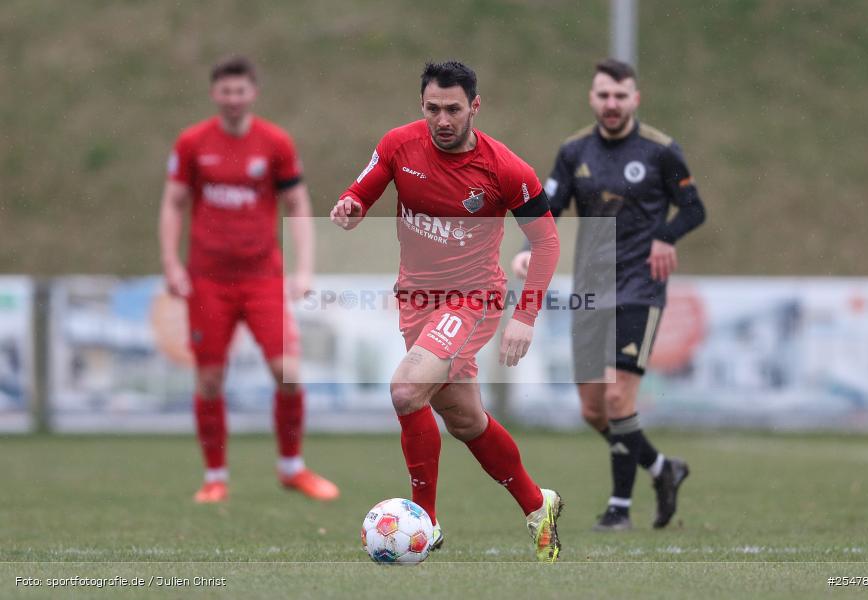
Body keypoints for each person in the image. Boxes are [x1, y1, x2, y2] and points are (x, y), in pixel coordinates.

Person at [330, 61, 564, 562]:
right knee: (464, 419)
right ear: (422, 105)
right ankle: (536, 504)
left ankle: (425, 523)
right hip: (416, 301)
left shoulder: (505, 169)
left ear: (474, 107)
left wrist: (524, 316)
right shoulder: (398, 145)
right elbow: (361, 192)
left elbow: (546, 241)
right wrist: (350, 207)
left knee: (407, 389)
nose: (442, 119)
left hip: (473, 299)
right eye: (433, 108)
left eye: (453, 109)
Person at [512, 58, 706, 531]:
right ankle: (663, 468)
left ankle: (619, 507)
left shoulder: (661, 151)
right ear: (592, 98)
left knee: (620, 399)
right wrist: (525, 250)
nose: (612, 104)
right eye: (604, 95)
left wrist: (666, 235)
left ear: (635, 99)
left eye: (621, 96)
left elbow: (693, 208)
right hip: (591, 289)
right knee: (592, 409)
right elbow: (549, 209)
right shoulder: (573, 150)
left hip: (640, 288)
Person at [159, 56, 339, 504]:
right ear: (214, 94)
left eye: (241, 91)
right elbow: (174, 203)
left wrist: (303, 269)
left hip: (262, 279)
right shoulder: (192, 143)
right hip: (209, 282)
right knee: (210, 380)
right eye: (226, 91)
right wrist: (171, 263)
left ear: (253, 92)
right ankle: (215, 477)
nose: (233, 99)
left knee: (289, 374)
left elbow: (297, 204)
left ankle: (292, 469)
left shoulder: (275, 142)